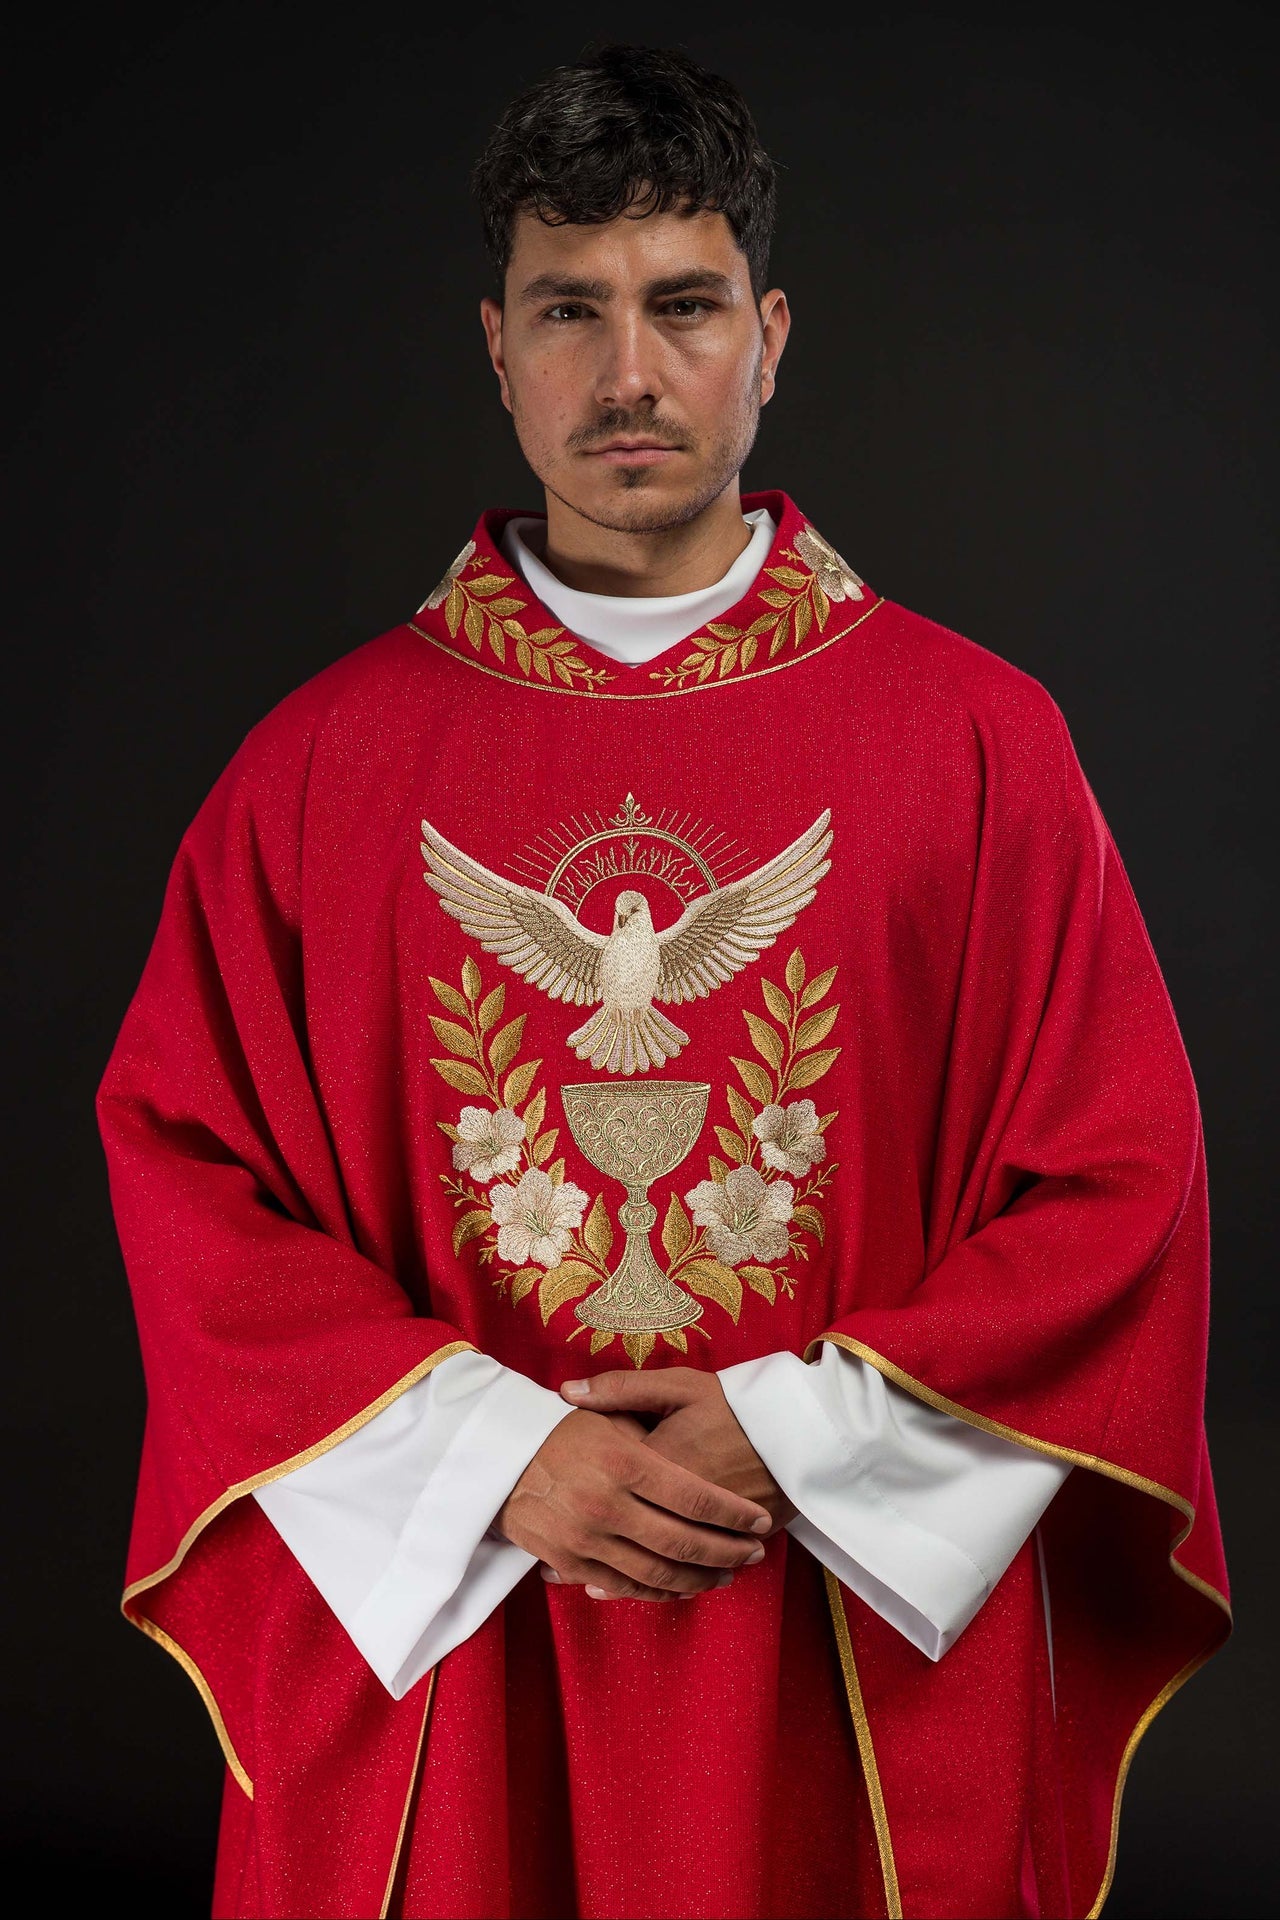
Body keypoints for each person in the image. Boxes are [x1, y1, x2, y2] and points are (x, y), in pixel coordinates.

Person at [98, 43, 1230, 1920]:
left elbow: (1121, 1186)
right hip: (470, 1644)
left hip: (840, 1635)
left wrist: (802, 1437)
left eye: (683, 306)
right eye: (572, 309)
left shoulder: (978, 744)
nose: (630, 375)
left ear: (769, 336)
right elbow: (189, 1180)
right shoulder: (316, 771)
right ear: (496, 343)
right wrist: (493, 1456)